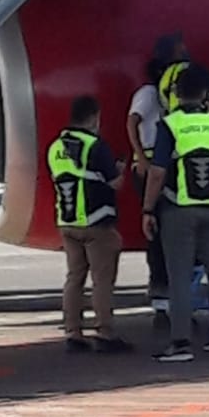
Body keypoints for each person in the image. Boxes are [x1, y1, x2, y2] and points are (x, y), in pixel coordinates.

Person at [142, 64, 209, 362]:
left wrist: (148, 208)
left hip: (179, 209)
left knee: (180, 277)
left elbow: (158, 172)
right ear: (205, 93)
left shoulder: (169, 125)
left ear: (176, 93)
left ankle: (181, 343)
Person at [47, 96, 132, 353]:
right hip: (96, 221)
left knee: (74, 277)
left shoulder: (55, 147)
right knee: (102, 280)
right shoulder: (95, 146)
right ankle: (105, 331)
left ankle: (73, 330)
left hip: (67, 221)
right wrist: (120, 169)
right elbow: (115, 183)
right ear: (94, 116)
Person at [128, 41, 178, 327]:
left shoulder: (168, 95)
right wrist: (140, 156)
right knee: (158, 234)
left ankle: (171, 298)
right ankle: (160, 300)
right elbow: (132, 121)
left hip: (167, 163)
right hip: (150, 163)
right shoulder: (148, 93)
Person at [155, 33, 192, 115]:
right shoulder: (188, 68)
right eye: (179, 44)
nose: (184, 47)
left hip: (172, 118)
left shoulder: (165, 74)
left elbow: (163, 100)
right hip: (191, 115)